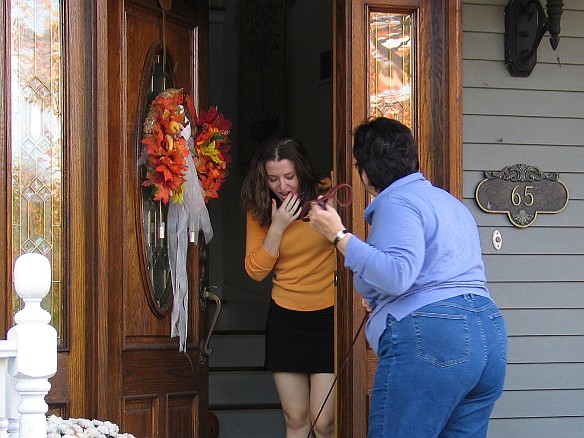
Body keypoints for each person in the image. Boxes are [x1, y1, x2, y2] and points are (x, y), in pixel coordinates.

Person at [308, 117, 507, 437]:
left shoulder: (397, 202)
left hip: (435, 338)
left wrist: (339, 235)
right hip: (489, 337)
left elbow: (398, 274)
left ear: (364, 173)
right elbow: (433, 271)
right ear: (413, 160)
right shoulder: (449, 202)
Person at [241, 136, 336, 438]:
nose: (282, 186)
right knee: (296, 419)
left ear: (302, 171)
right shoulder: (260, 208)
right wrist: (279, 225)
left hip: (328, 316)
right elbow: (255, 270)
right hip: (285, 318)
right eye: (273, 179)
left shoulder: (325, 193)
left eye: (289, 177)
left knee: (324, 422)